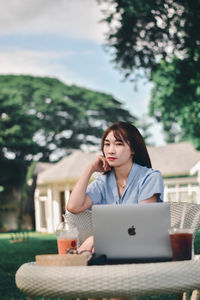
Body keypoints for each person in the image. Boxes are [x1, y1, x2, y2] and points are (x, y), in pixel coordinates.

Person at [67, 121, 164, 253]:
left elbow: (142, 223)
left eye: (118, 144)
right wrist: (90, 169)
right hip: (110, 247)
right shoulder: (103, 182)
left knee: (94, 248)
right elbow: (73, 207)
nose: (110, 150)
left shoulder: (150, 177)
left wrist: (96, 238)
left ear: (133, 149)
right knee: (95, 250)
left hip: (143, 246)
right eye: (107, 144)